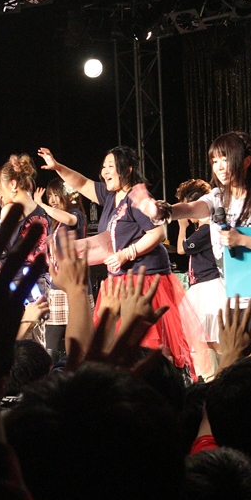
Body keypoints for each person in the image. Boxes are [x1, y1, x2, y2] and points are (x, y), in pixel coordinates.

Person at [37, 146, 200, 372]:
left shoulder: (137, 197)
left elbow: (159, 232)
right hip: (119, 279)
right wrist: (58, 167)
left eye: (110, 166)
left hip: (142, 279)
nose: (105, 171)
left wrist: (127, 253)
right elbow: (82, 183)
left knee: (146, 347)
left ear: (128, 169)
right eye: (104, 167)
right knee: (115, 348)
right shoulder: (111, 196)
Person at [139, 132, 251, 357]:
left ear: (246, 161)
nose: (220, 167)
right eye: (214, 161)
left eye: (225, 159)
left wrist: (242, 239)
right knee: (240, 360)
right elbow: (191, 208)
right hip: (236, 294)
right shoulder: (216, 198)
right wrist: (166, 211)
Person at [175, 179, 224, 380]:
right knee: (205, 339)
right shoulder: (203, 230)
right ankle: (210, 377)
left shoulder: (207, 229)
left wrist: (181, 227)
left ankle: (216, 377)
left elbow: (181, 248)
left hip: (210, 287)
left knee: (212, 339)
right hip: (202, 287)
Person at [34, 177, 87, 362]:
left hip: (72, 283)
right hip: (57, 285)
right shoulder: (55, 223)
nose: (53, 200)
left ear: (67, 195)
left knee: (75, 339)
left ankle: (74, 372)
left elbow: (69, 219)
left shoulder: (75, 214)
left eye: (56, 195)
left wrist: (41, 204)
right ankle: (53, 373)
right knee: (51, 339)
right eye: (49, 196)